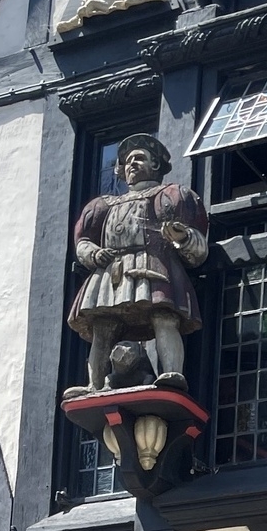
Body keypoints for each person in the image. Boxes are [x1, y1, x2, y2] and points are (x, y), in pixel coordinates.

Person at [65, 133, 208, 398]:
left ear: (156, 165)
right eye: (128, 161)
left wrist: (183, 237)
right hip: (111, 272)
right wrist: (93, 254)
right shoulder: (102, 205)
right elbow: (83, 241)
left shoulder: (171, 196)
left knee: (164, 316)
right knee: (102, 327)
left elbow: (198, 247)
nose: (132, 164)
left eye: (139, 158)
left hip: (153, 263)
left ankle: (172, 372)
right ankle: (94, 384)